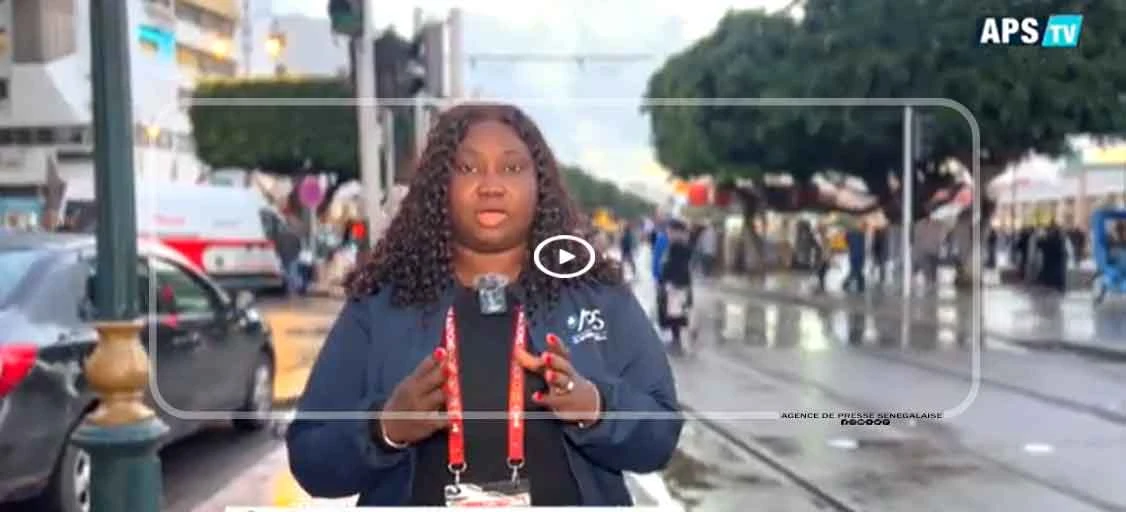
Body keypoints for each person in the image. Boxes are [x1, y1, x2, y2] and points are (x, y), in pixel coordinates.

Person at [286, 103, 683, 507]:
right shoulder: (380, 304)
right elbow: (311, 458)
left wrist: (596, 407)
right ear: (440, 184)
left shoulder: (595, 293)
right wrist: (384, 429)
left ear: (538, 184)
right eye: (468, 168)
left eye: (512, 168)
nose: (491, 185)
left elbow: (661, 435)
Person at [656, 219, 694, 356]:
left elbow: (674, 267)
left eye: (671, 231)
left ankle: (676, 339)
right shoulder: (679, 246)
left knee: (675, 312)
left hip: (675, 284)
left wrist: (667, 281)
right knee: (674, 312)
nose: (669, 234)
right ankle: (675, 338)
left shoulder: (678, 247)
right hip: (677, 284)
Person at [842, 220, 867, 293]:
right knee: (856, 270)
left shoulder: (851, 233)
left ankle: (860, 286)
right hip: (858, 255)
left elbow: (846, 241)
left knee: (856, 270)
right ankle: (847, 284)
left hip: (854, 254)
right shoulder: (861, 234)